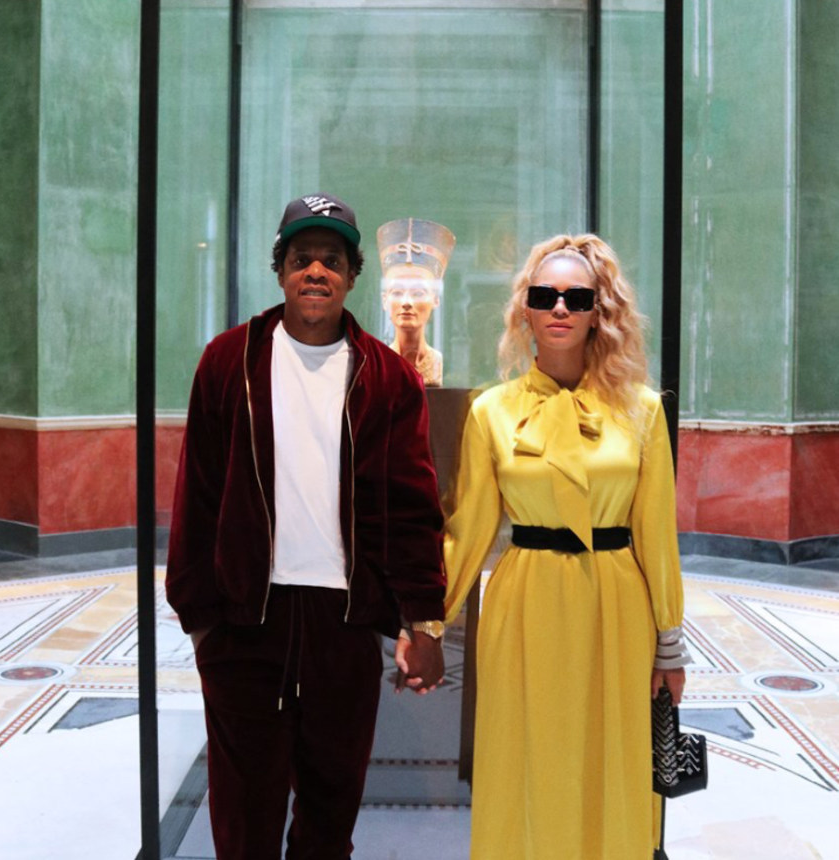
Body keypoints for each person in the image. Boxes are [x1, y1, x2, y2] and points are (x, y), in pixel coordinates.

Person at [165, 193, 446, 860]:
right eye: (301, 258)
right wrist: (201, 621)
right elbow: (197, 493)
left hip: (343, 628)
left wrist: (424, 622)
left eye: (330, 260)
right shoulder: (228, 361)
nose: (315, 271)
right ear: (281, 270)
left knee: (329, 816)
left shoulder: (388, 379)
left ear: (351, 276)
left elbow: (412, 506)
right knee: (244, 822)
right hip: (244, 623)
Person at [443, 234, 692, 860]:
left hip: (616, 603)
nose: (559, 308)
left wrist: (670, 643)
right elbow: (469, 529)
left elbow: (657, 533)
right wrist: (426, 621)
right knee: (525, 756)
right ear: (524, 309)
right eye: (544, 296)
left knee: (612, 758)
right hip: (525, 602)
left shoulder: (641, 411)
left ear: (597, 312)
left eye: (576, 298)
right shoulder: (491, 412)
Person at [378, 218, 456, 387]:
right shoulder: (377, 364)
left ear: (435, 300)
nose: (406, 302)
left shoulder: (440, 363)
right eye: (397, 292)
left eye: (418, 293)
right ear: (385, 300)